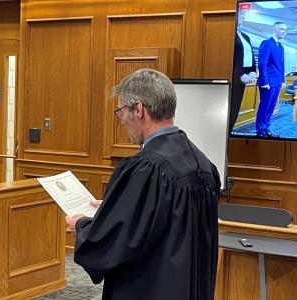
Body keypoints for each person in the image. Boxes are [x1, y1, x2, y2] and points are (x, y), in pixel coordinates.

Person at [65, 69, 221, 300]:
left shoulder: (146, 168)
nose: (122, 121)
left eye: (120, 112)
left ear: (138, 110)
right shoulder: (203, 163)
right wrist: (114, 208)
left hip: (151, 288)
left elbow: (113, 242)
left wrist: (82, 225)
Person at [256, 21, 286, 138]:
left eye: (285, 30)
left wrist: (282, 80)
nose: (284, 31)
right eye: (282, 29)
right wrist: (265, 81)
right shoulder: (267, 43)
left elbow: (282, 65)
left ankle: (266, 128)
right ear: (274, 29)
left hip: (277, 82)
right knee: (264, 107)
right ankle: (261, 131)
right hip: (267, 83)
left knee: (271, 107)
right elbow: (262, 64)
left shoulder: (281, 47)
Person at [229, 9, 256, 130]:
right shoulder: (226, 33)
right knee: (228, 113)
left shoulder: (245, 36)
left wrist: (252, 72)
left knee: (234, 111)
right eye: (242, 14)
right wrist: (239, 74)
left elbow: (250, 57)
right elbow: (227, 58)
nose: (244, 17)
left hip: (243, 80)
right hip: (232, 79)